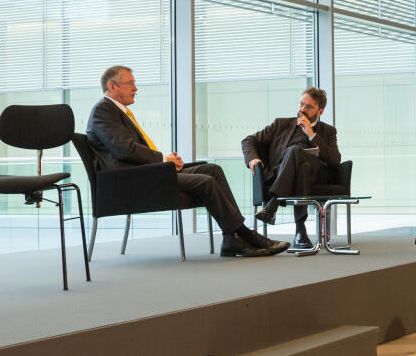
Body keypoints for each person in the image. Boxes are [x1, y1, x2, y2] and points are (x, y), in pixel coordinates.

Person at [86, 66, 289, 258]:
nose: (135, 88)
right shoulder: (103, 111)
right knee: (205, 182)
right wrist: (164, 160)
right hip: (131, 180)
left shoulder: (117, 112)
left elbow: (131, 148)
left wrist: (168, 161)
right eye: (130, 83)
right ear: (112, 86)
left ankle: (231, 238)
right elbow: (124, 149)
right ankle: (244, 235)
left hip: (146, 172)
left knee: (212, 169)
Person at [243, 87, 341, 250]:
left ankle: (273, 202)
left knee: (299, 156)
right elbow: (248, 140)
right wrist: (253, 159)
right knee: (300, 163)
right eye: (301, 104)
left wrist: (312, 135)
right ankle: (300, 232)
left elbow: (335, 159)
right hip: (284, 172)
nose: (302, 109)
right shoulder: (281, 124)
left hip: (316, 175)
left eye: (309, 107)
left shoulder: (328, 131)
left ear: (320, 111)